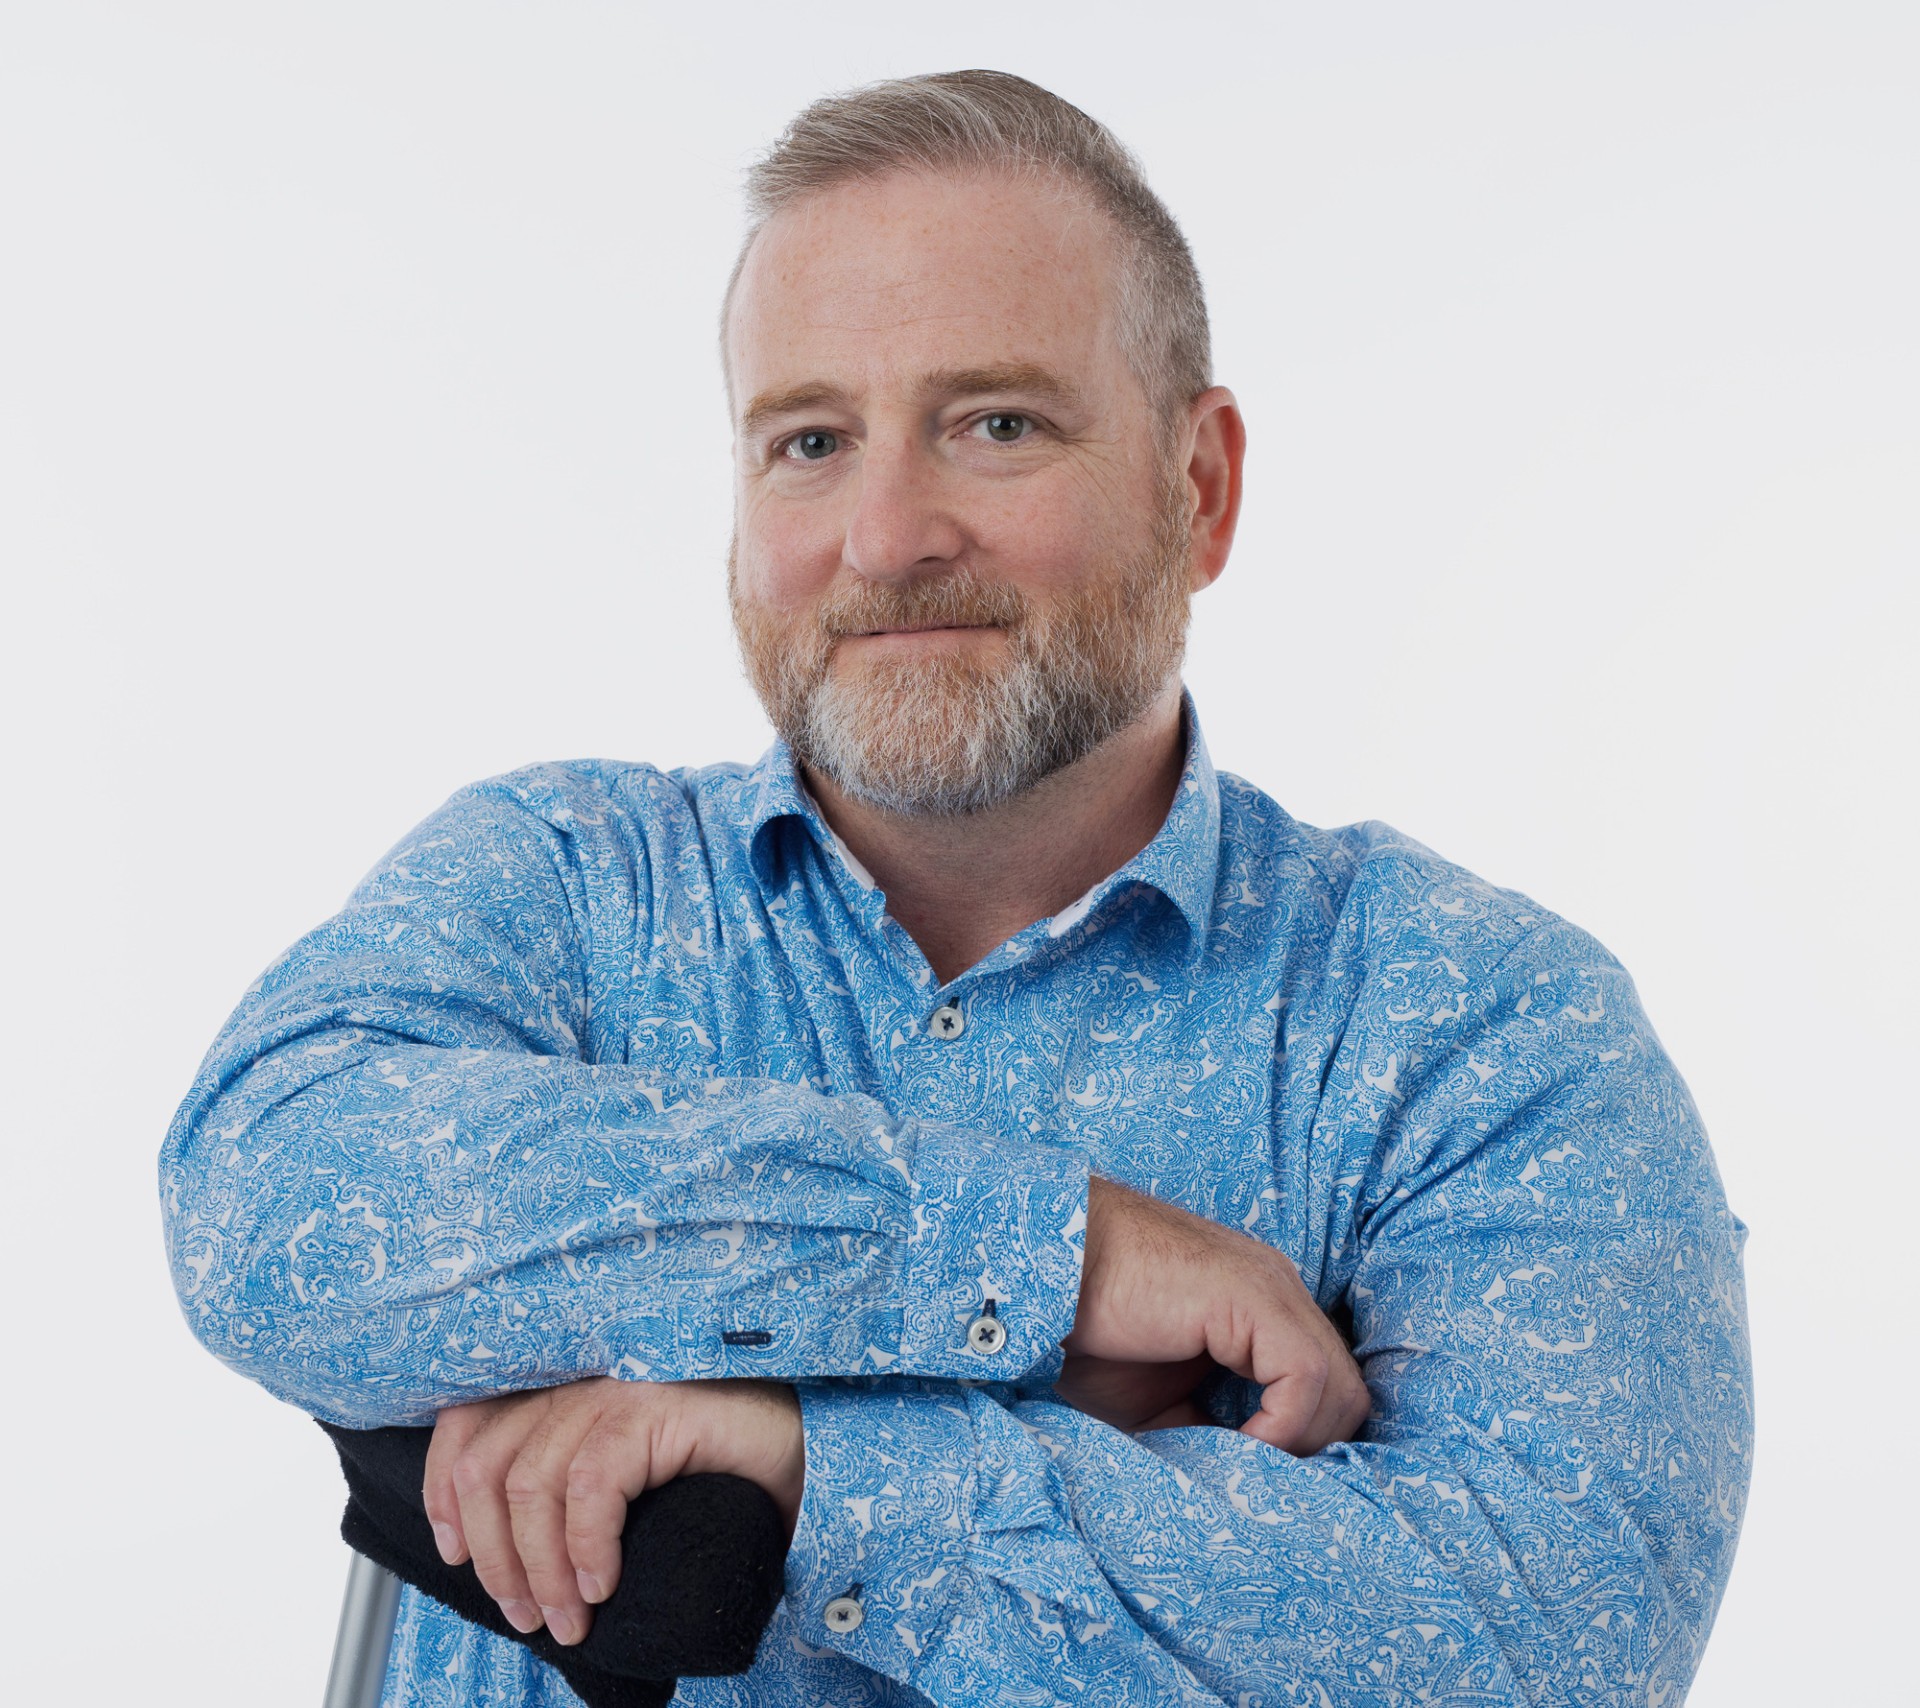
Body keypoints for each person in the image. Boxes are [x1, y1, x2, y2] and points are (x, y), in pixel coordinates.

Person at [160, 69, 1753, 1707]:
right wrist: (1049, 1253)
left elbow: (1553, 1631)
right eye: (810, 441)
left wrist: (810, 1471)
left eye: (997, 425)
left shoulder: (1481, 1028)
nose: (886, 535)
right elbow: (264, 1206)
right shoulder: (564, 884)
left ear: (1199, 487)